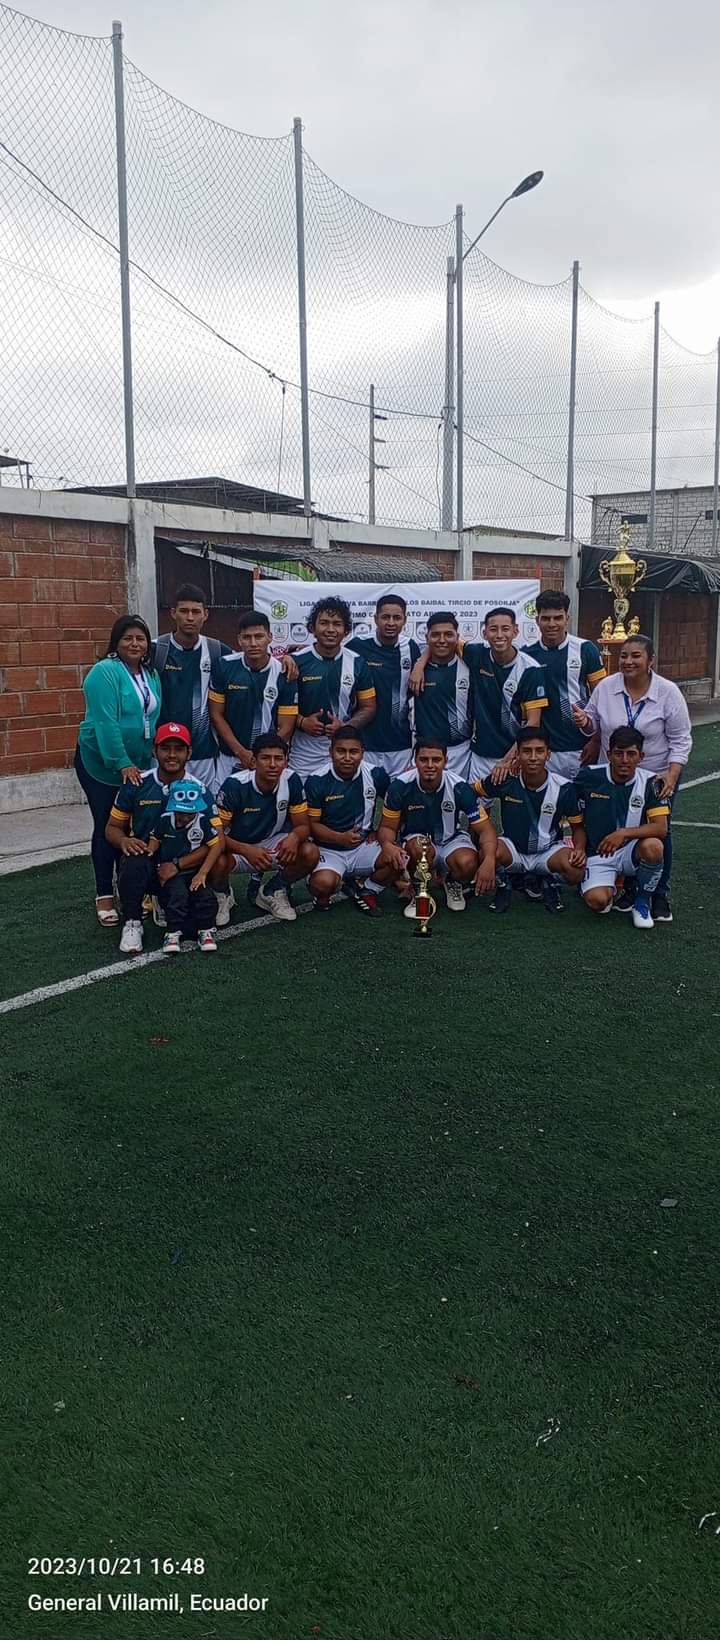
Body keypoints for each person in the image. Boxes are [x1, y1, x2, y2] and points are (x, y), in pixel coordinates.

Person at [572, 634, 692, 922]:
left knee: (657, 833)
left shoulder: (668, 692)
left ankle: (658, 893)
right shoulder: (606, 687)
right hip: (613, 774)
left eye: (636, 656)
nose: (628, 661)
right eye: (624, 656)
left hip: (655, 776)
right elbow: (593, 724)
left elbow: (681, 739)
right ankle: (625, 886)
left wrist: (672, 775)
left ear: (651, 660)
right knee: (613, 825)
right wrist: (585, 723)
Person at [105, 721, 224, 954]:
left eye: (178, 749)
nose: (171, 755)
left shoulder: (199, 789)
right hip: (147, 859)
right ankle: (132, 922)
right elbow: (112, 828)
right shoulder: (137, 782)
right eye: (165, 748)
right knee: (132, 861)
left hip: (183, 868)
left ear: (189, 753)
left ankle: (167, 901)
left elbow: (217, 840)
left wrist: (177, 865)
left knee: (191, 928)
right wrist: (124, 841)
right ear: (154, 750)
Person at [75, 614, 161, 926]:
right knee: (108, 825)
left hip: (138, 764)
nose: (135, 644)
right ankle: (104, 894)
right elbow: (105, 722)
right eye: (128, 638)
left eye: (140, 638)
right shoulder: (104, 672)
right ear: (116, 642)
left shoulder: (150, 673)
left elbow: (152, 717)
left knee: (136, 827)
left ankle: (132, 891)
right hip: (101, 764)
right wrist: (121, 762)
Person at [410, 607, 547, 782]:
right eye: (493, 629)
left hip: (512, 757)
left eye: (505, 629)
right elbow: (440, 643)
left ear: (515, 631)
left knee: (513, 800)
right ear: (484, 633)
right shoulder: (477, 655)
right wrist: (420, 664)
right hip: (480, 755)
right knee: (474, 799)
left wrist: (508, 760)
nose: (499, 635)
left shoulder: (530, 670)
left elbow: (533, 723)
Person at [473, 725, 586, 915]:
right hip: (513, 850)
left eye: (539, 751)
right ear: (517, 754)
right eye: (527, 751)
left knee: (576, 870)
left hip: (548, 852)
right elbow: (470, 792)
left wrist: (580, 848)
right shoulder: (504, 780)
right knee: (487, 852)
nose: (533, 757)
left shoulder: (564, 788)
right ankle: (503, 883)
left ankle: (550, 882)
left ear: (548, 755)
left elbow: (578, 828)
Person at [378, 738, 496, 915]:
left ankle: (452, 882)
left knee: (468, 862)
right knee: (419, 849)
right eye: (424, 760)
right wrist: (387, 845)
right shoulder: (400, 786)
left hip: (450, 839)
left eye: (436, 760)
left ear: (445, 762)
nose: (430, 765)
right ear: (415, 761)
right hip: (416, 840)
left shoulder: (459, 787)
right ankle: (419, 890)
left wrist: (489, 861)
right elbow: (387, 827)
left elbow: (486, 830)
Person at [571, 726, 671, 930]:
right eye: (619, 753)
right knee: (598, 902)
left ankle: (642, 901)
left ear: (641, 757)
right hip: (598, 853)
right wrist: (578, 846)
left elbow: (661, 828)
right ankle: (610, 886)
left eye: (631, 754)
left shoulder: (651, 782)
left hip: (630, 852)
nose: (625, 760)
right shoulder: (589, 776)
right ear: (609, 755)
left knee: (654, 846)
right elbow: (571, 811)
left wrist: (623, 833)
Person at [215, 732, 319, 922]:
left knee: (309, 852)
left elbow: (303, 825)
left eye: (278, 758)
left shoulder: (292, 780)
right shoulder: (235, 785)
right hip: (235, 847)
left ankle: (273, 890)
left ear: (286, 761)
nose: (272, 764)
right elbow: (217, 834)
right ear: (254, 761)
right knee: (215, 859)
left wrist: (294, 837)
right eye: (265, 758)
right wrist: (246, 850)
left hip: (270, 843)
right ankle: (222, 893)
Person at [305, 726, 400, 915]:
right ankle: (322, 887)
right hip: (329, 849)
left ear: (362, 753)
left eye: (353, 751)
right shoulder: (316, 780)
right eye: (341, 751)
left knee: (399, 858)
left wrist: (380, 831)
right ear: (331, 752)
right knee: (322, 884)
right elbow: (312, 825)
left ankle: (368, 889)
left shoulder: (376, 775)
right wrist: (339, 838)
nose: (347, 757)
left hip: (363, 845)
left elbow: (396, 807)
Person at [150, 584, 231, 792]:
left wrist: (288, 658)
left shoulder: (217, 650)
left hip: (203, 753)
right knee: (163, 807)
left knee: (201, 807)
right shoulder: (155, 649)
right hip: (164, 752)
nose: (190, 617)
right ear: (173, 613)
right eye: (184, 611)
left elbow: (250, 663)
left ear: (205, 615)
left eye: (195, 612)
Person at [209, 607, 298, 787]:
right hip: (230, 757)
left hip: (266, 761)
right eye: (247, 637)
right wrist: (240, 752)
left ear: (270, 637)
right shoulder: (224, 666)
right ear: (239, 640)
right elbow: (216, 715)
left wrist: (262, 756)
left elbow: (287, 726)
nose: (253, 643)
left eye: (259, 636)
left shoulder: (284, 672)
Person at [522, 590, 606, 778]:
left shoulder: (585, 649)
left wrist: (596, 740)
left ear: (567, 618)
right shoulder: (526, 654)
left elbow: (602, 699)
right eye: (546, 618)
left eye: (558, 618)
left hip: (581, 747)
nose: (552, 624)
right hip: (544, 752)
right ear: (537, 620)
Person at [289, 596, 376, 778]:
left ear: (346, 631)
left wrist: (345, 727)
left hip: (343, 751)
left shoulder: (357, 663)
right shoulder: (295, 662)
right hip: (304, 752)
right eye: (324, 623)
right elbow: (281, 707)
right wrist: (302, 722)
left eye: (337, 624)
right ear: (312, 628)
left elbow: (369, 707)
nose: (330, 629)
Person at [344, 594, 420, 777]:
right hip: (365, 742)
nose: (391, 623)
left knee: (398, 794)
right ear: (376, 618)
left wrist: (421, 663)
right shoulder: (357, 645)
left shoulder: (410, 647)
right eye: (385, 617)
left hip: (400, 743)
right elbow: (333, 655)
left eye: (397, 617)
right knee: (366, 792)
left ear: (405, 620)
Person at [146, 778, 222, 954]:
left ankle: (205, 930)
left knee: (205, 896)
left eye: (190, 813)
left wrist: (202, 873)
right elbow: (156, 838)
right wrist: (150, 850)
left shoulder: (203, 821)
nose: (185, 817)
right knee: (177, 896)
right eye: (181, 812)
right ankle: (173, 932)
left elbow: (215, 845)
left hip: (194, 869)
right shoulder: (165, 820)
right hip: (172, 872)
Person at [409, 612, 473, 777]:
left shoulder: (470, 667)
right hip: (425, 753)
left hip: (461, 752)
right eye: (436, 635)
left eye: (448, 635)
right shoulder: (414, 669)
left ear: (457, 637)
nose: (442, 640)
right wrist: (419, 664)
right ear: (427, 637)